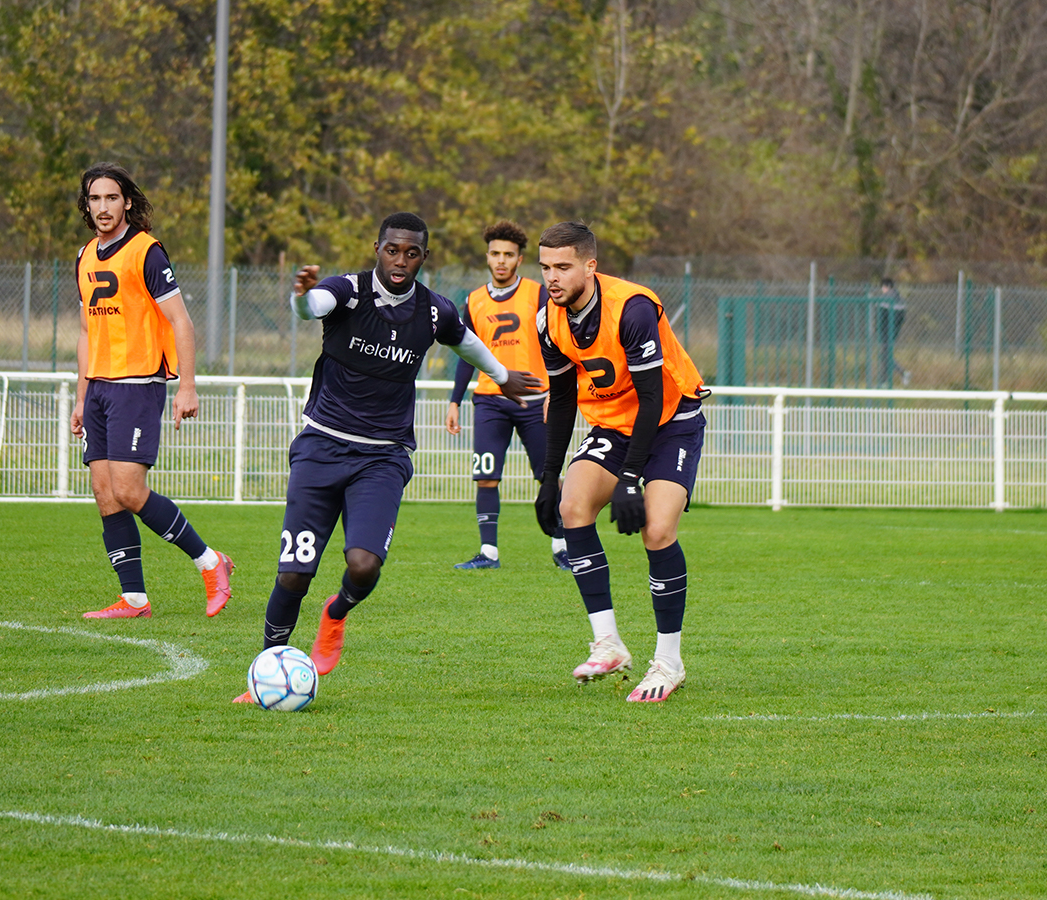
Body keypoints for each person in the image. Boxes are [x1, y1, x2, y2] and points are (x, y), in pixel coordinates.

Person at [234, 212, 541, 703]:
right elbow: (312, 306)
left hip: (383, 457)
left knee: (363, 566)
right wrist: (298, 297)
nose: (401, 260)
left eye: (412, 252)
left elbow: (465, 342)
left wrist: (503, 377)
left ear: (423, 256)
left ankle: (335, 615)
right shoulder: (347, 291)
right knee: (293, 572)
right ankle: (264, 671)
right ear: (377, 247)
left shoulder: (432, 310)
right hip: (321, 447)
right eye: (392, 250)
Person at [533, 222, 707, 703]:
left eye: (563, 266)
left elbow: (652, 398)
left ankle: (669, 663)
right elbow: (563, 400)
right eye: (546, 267)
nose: (552, 277)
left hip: (672, 418)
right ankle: (608, 644)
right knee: (572, 507)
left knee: (657, 530)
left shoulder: (630, 308)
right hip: (614, 423)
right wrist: (549, 477)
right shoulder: (548, 319)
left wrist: (631, 478)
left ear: (590, 266)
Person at [70, 162, 234, 620]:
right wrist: (81, 397)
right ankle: (134, 599)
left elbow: (181, 321)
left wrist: (188, 386)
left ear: (126, 202)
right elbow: (86, 333)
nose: (103, 207)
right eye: (95, 199)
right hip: (100, 389)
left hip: (138, 385)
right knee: (105, 491)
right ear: (86, 205)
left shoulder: (146, 251)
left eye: (111, 198)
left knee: (128, 487)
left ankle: (211, 562)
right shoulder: (84, 256)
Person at [446, 220, 570, 570]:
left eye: (509, 255)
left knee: (549, 476)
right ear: (487, 256)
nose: (501, 260)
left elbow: (560, 341)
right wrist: (454, 401)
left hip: (536, 401)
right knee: (486, 475)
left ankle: (562, 549)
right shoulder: (473, 300)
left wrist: (557, 391)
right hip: (489, 401)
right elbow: (466, 353)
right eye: (495, 253)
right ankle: (489, 554)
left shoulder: (539, 293)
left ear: (519, 259)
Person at [875, 277, 908, 386]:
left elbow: (880, 316)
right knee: (885, 355)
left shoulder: (885, 299)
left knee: (885, 356)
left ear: (886, 287)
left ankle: (903, 373)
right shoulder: (900, 299)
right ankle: (884, 381)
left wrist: (879, 329)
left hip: (885, 332)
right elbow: (902, 318)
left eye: (883, 287)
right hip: (894, 332)